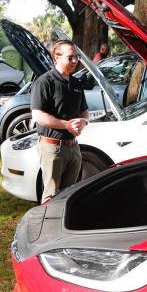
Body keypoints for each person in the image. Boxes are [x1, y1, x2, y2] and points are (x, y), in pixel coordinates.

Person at [31, 40, 89, 204]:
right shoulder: (44, 82)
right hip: (52, 148)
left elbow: (84, 110)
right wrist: (66, 125)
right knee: (51, 196)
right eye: (70, 57)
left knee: (69, 195)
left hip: (73, 147)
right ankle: (46, 228)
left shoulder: (76, 82)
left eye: (76, 57)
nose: (75, 61)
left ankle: (62, 228)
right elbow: (37, 115)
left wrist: (84, 122)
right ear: (56, 58)